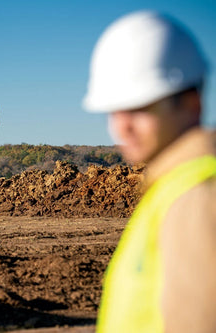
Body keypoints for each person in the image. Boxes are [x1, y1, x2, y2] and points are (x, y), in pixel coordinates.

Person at [82, 11, 216, 332]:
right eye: (114, 110)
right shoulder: (170, 189)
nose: (122, 127)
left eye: (140, 107)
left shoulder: (198, 198)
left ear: (191, 103)